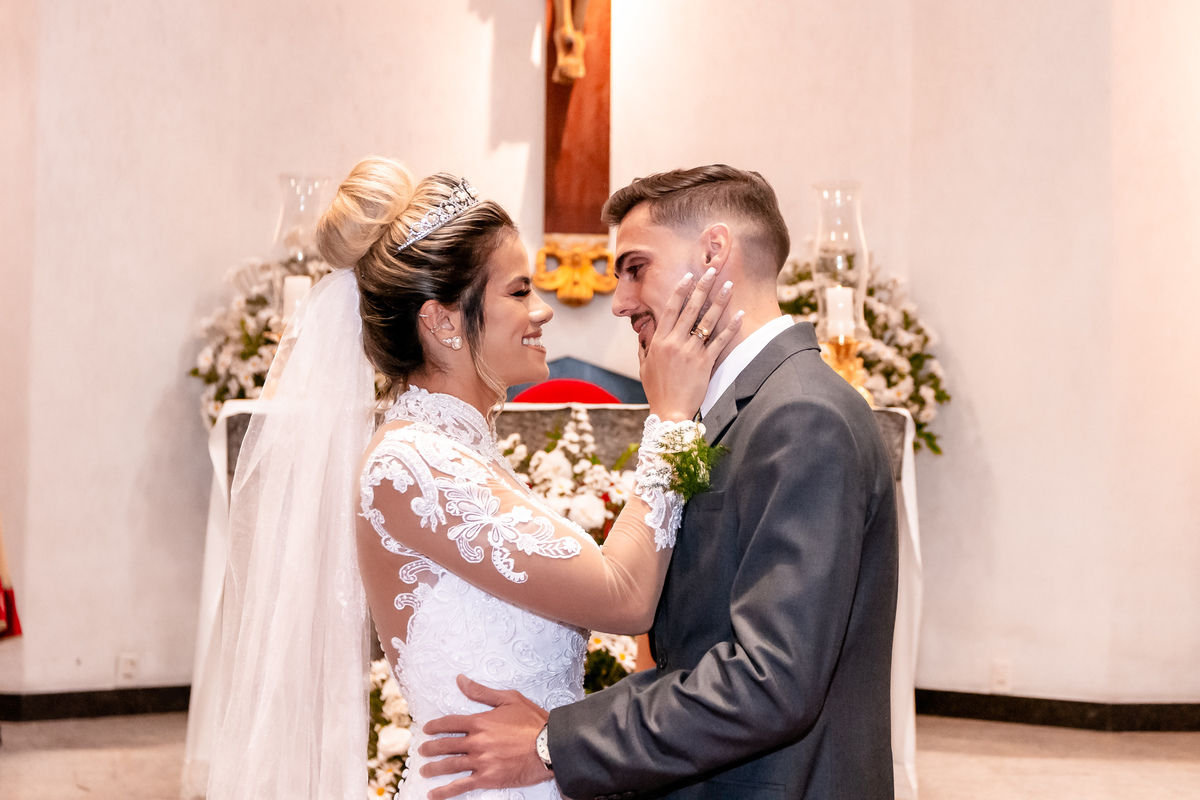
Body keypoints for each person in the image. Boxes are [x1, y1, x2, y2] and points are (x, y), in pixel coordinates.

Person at [205, 157, 741, 800]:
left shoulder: (457, 451)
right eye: (518, 292)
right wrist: (672, 419)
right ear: (442, 321)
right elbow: (623, 597)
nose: (542, 311)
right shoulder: (414, 467)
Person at [418, 165, 900, 800]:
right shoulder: (735, 407)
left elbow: (769, 679)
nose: (618, 301)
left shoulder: (800, 416)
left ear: (714, 251)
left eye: (635, 267)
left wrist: (553, 745)